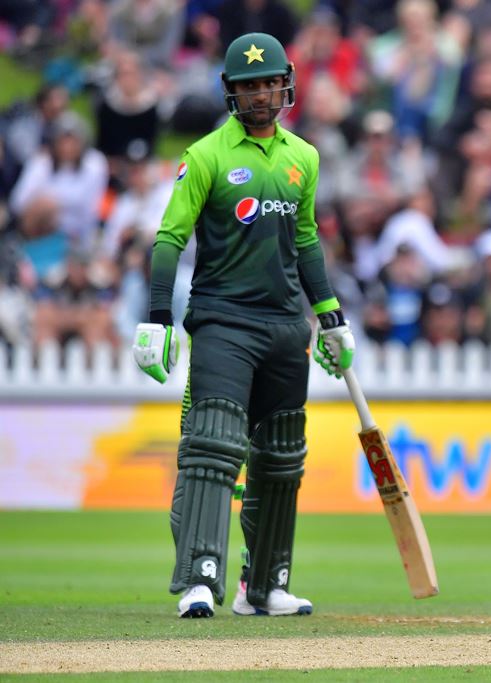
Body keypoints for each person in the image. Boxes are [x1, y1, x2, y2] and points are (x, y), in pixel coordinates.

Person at [130, 33, 356, 618]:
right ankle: (201, 578)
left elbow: (305, 242)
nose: (260, 94)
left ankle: (266, 585)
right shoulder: (206, 155)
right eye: (248, 85)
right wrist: (158, 318)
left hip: (285, 325)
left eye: (268, 82)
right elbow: (169, 239)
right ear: (231, 92)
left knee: (281, 456)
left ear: (285, 84)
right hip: (223, 320)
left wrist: (329, 316)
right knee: (212, 446)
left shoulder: (302, 157)